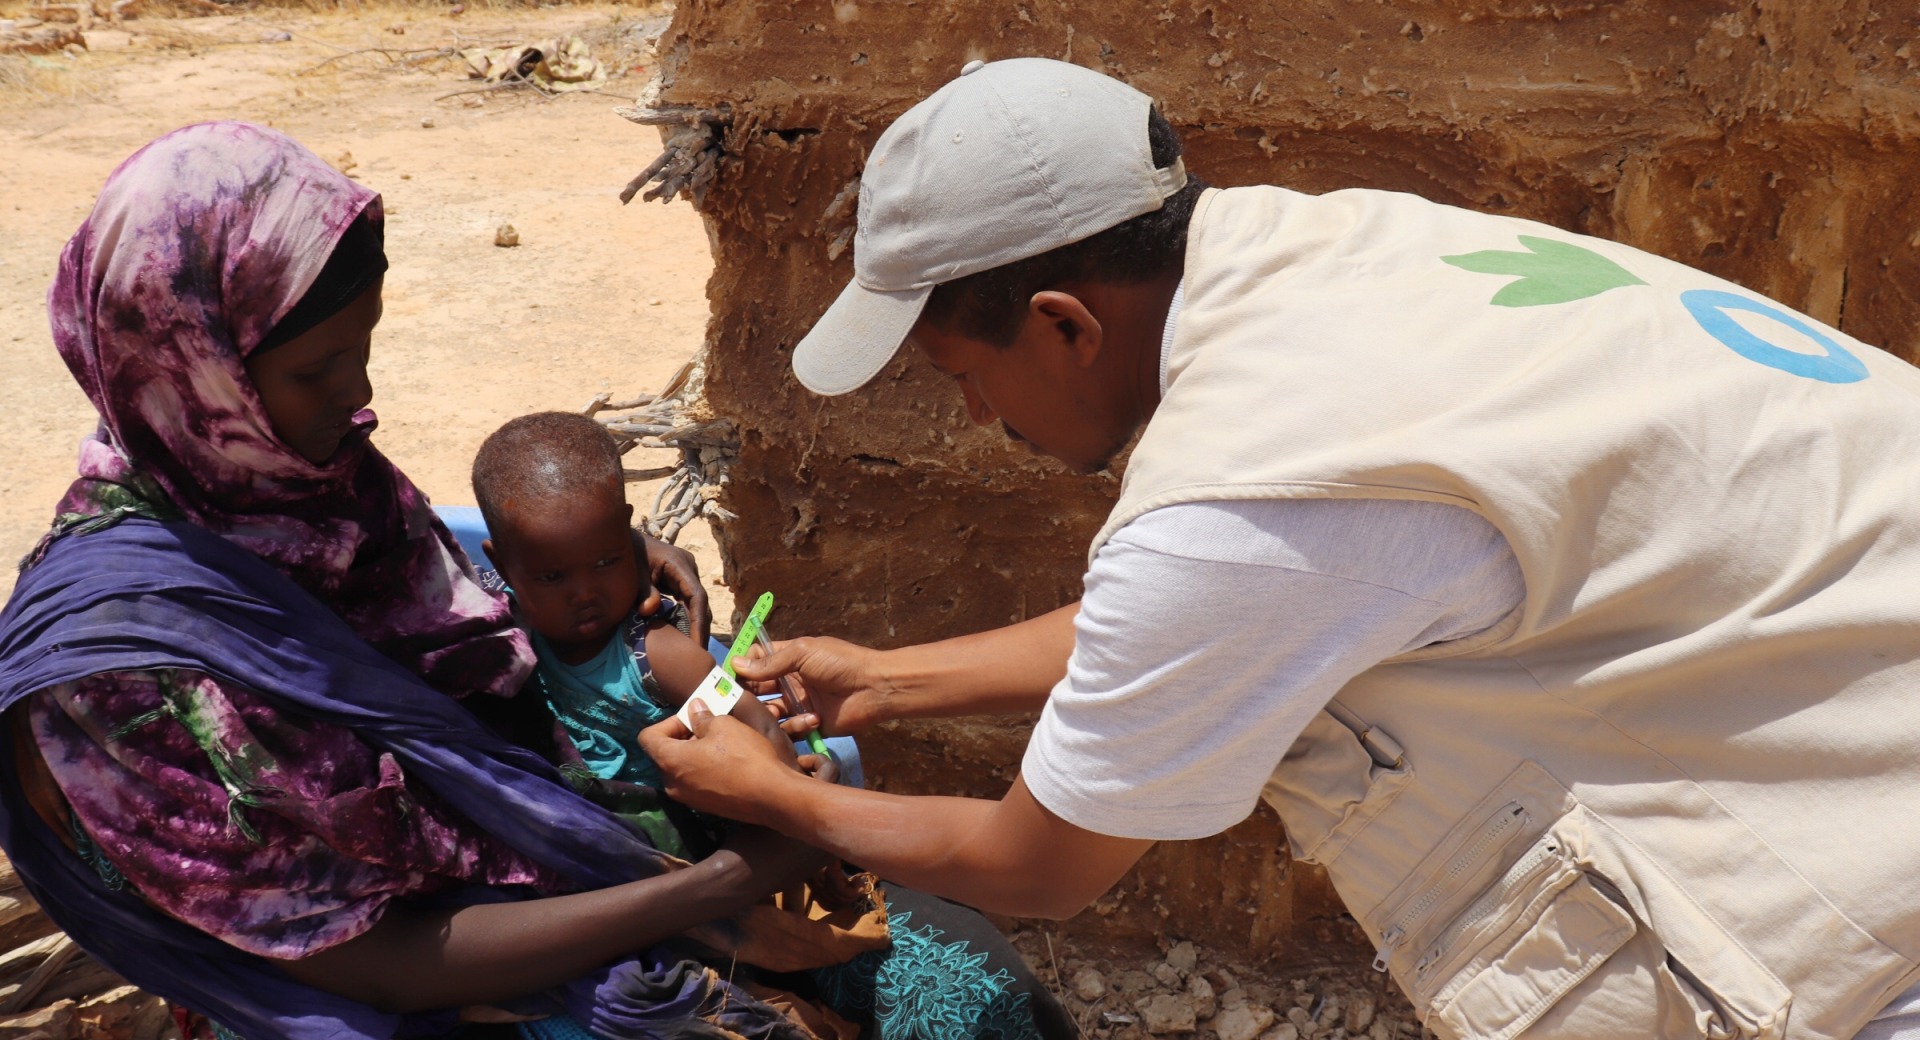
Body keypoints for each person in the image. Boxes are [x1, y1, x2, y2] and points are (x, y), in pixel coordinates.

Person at [641, 57, 1920, 1040]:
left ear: (1065, 322)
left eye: (967, 376)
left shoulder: (1244, 491)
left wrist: (780, 798)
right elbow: (1313, 591)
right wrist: (896, 676)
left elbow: (1037, 865)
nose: (977, 418)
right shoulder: (1329, 253)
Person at [0, 121, 1069, 1040]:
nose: (359, 396)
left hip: (585, 849)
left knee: (973, 993)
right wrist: (718, 889)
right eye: (315, 370)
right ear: (189, 368)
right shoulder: (116, 679)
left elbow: (459, 628)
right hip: (423, 988)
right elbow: (380, 958)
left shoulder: (299, 480)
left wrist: (600, 570)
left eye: (361, 349)